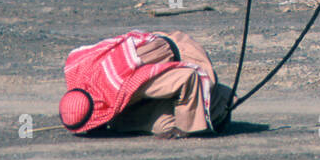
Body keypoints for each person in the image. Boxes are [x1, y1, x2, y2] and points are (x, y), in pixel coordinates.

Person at [58, 29, 232, 138]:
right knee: (122, 123)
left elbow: (188, 77)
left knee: (168, 124)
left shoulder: (133, 84)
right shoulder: (80, 76)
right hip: (147, 56)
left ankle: (221, 103)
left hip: (183, 53)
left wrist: (184, 128)